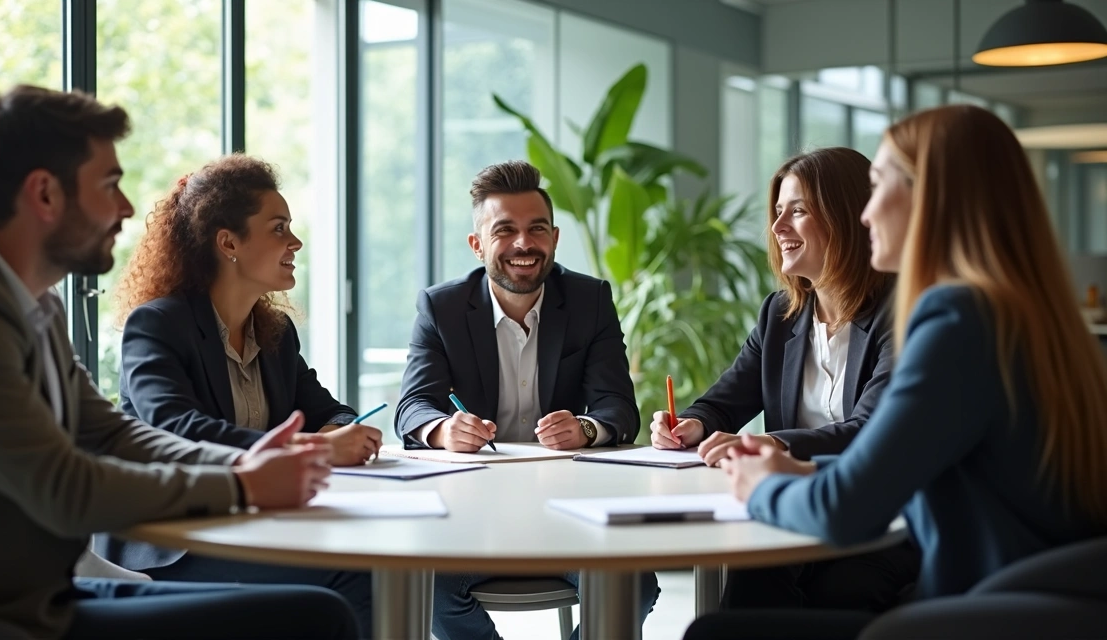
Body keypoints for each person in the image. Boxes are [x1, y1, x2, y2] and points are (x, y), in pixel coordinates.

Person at [0, 85, 356, 639]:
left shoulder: (29, 297)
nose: (127, 208)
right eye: (109, 185)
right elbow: (65, 487)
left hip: (42, 593)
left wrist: (241, 465)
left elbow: (110, 432)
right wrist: (243, 486)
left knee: (319, 608)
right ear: (44, 194)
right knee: (314, 617)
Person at [687, 104, 1107, 640]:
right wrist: (800, 472)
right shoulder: (1022, 311)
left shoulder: (956, 317)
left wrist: (760, 483)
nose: (866, 214)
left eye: (879, 185)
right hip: (1039, 606)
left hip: (980, 614)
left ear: (933, 198)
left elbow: (849, 511)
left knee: (716, 632)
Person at [95, 154, 376, 633]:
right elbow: (175, 427)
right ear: (228, 242)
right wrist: (310, 447)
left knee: (368, 559)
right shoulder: (158, 324)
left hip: (255, 523)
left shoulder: (276, 332)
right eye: (279, 228)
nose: (296, 241)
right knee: (357, 574)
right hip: (173, 543)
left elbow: (331, 410)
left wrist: (336, 430)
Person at [394, 160, 658, 640]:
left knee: (633, 585)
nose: (523, 244)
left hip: (571, 509)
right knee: (427, 584)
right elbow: (413, 405)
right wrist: (441, 429)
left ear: (554, 238)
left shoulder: (589, 300)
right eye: (505, 231)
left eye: (536, 229)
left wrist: (587, 427)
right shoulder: (442, 307)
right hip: (470, 511)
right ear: (478, 245)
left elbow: (618, 407)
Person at [649, 147, 917, 611]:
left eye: (798, 211)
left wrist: (774, 444)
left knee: (837, 591)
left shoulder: (902, 313)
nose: (778, 229)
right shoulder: (781, 314)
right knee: (747, 590)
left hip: (883, 520)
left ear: (849, 216)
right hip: (796, 511)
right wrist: (691, 423)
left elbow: (871, 431)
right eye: (777, 213)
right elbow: (725, 400)